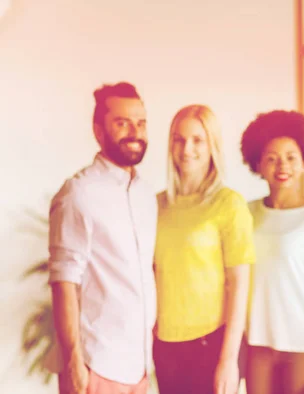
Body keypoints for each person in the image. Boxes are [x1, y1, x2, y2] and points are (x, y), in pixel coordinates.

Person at [47, 82, 156, 394]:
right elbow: (64, 282)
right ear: (98, 131)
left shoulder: (147, 195)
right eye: (122, 123)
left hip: (138, 367)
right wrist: (73, 362)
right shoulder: (78, 193)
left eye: (141, 123)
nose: (135, 132)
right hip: (96, 365)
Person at [153, 104, 255, 394]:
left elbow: (239, 284)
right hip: (165, 343)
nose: (187, 148)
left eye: (198, 140)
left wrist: (228, 360)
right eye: (179, 139)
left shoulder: (228, 203)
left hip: (212, 343)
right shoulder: (157, 205)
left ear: (213, 146)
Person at [240, 110, 304, 394]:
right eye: (272, 157)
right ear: (258, 162)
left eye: (291, 157)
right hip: (257, 343)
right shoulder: (245, 213)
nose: (282, 165)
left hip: (303, 344)